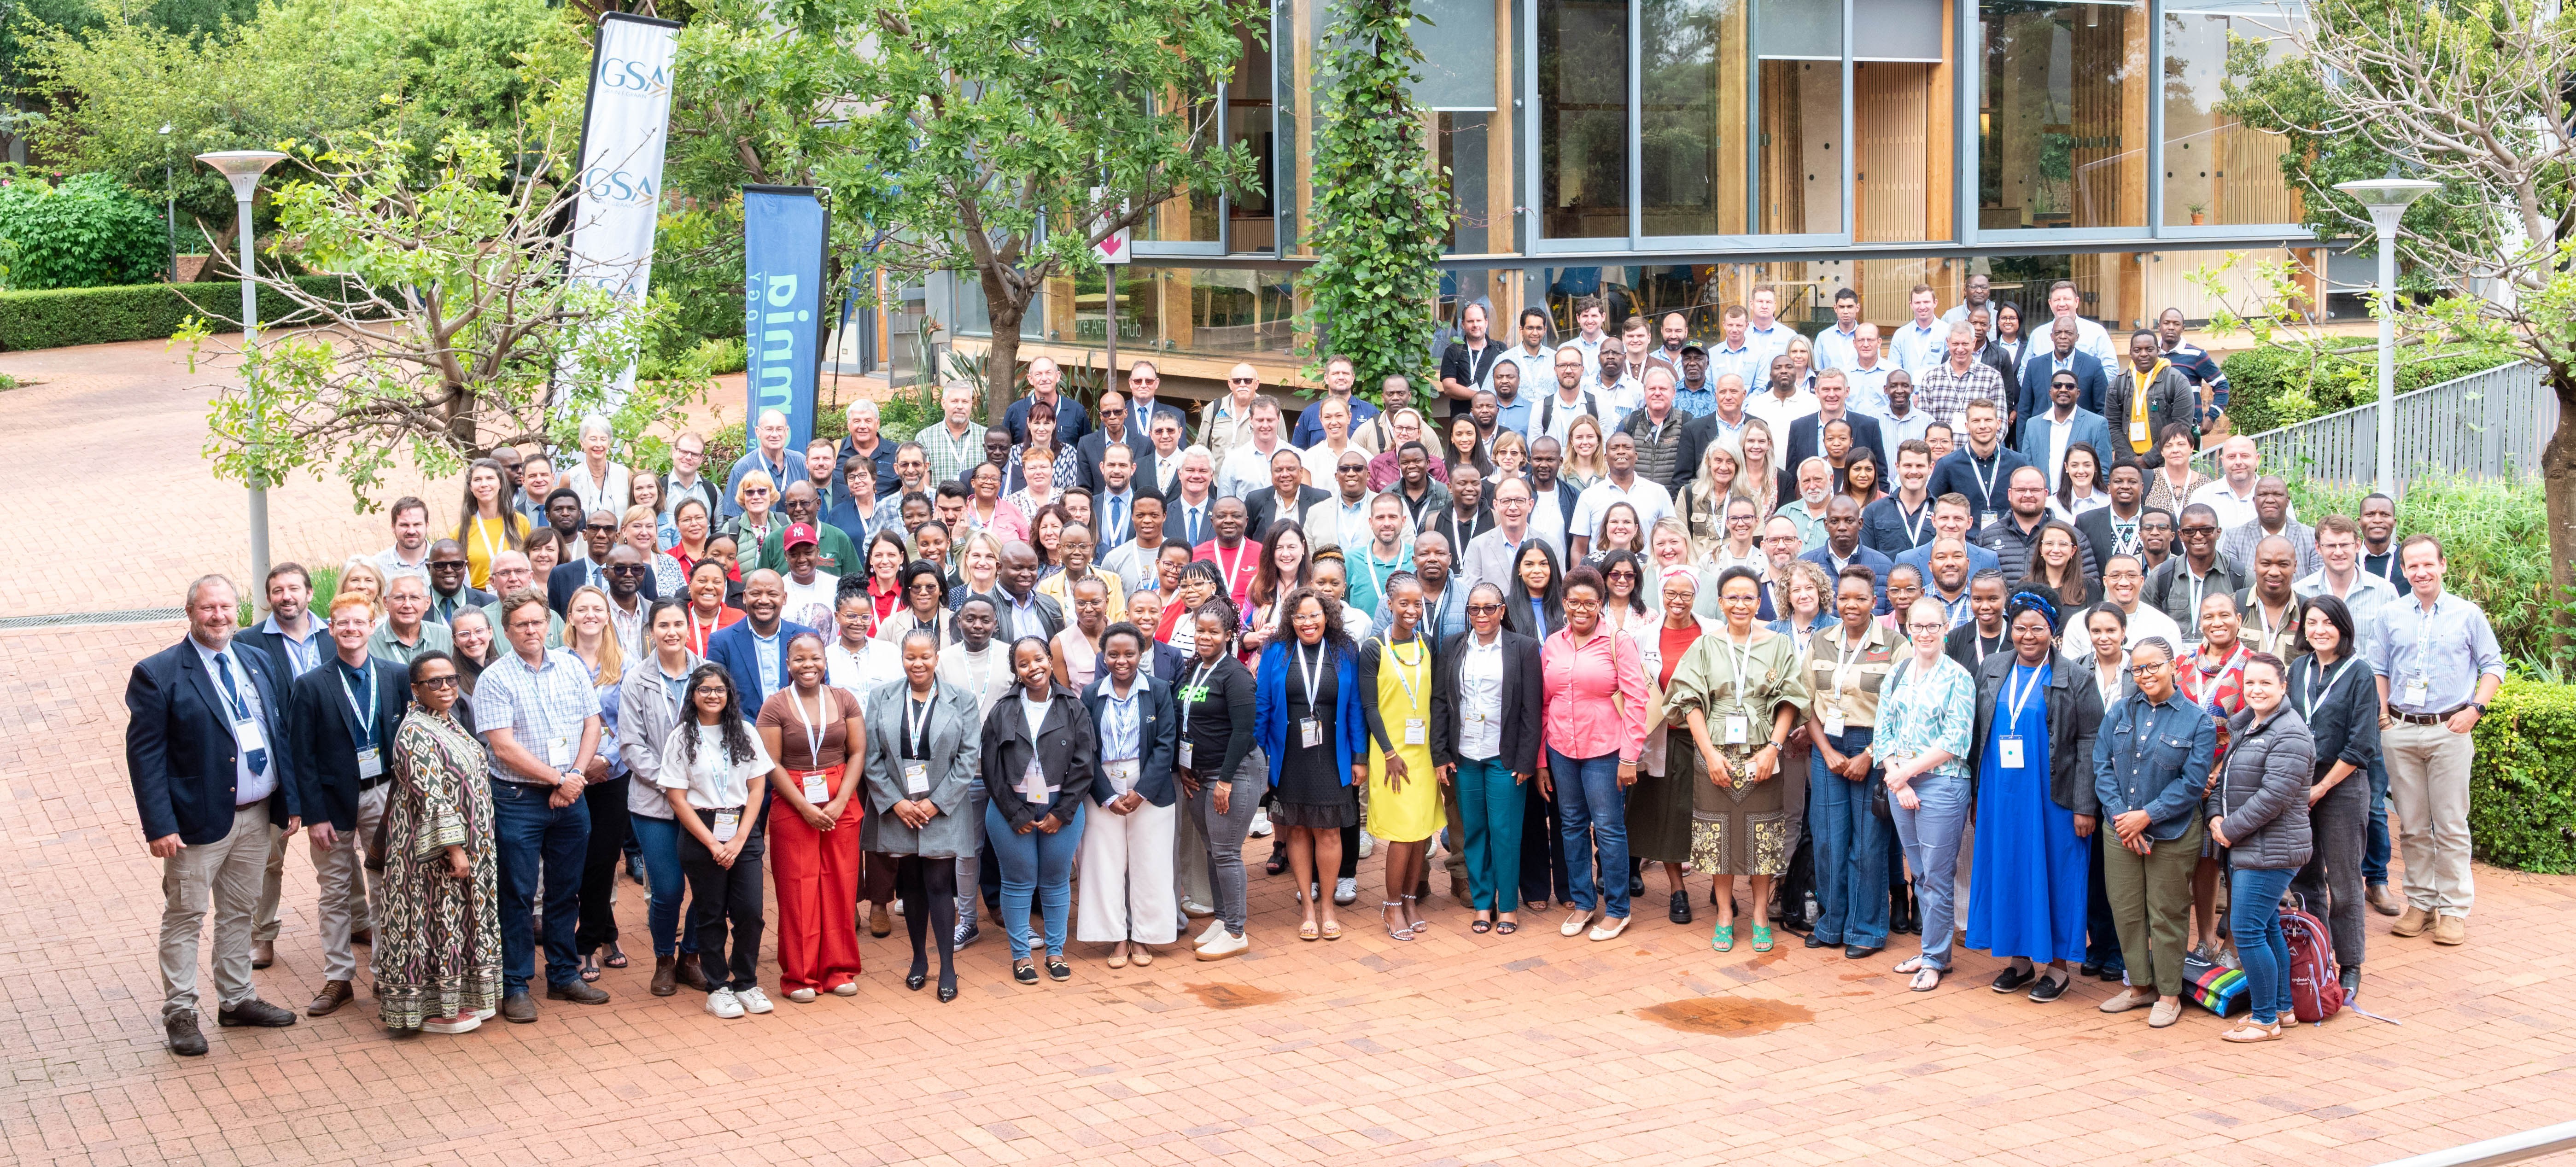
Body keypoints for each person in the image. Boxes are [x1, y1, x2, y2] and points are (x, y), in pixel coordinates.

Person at [129, 575, 308, 1054]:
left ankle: (237, 1000)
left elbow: (278, 732)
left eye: (226, 607)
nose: (219, 616)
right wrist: (160, 824)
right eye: (208, 608)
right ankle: (180, 1011)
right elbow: (145, 757)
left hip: (257, 814)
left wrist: (290, 801)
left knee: (240, 911)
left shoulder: (255, 658)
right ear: (190, 611)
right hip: (195, 823)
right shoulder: (158, 673)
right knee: (186, 915)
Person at [473, 590, 607, 1022]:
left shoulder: (570, 666)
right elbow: (503, 747)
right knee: (517, 893)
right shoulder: (494, 678)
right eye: (521, 625)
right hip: (518, 799)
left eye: (537, 622)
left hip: (571, 795)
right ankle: (515, 984)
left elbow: (592, 724)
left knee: (566, 890)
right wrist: (558, 780)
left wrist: (575, 777)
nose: (531, 630)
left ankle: (563, 975)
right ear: (506, 631)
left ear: (548, 625)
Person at [1965, 588, 2104, 1002]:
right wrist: (1976, 793)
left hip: (2053, 797)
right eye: (2020, 627)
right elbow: (1978, 732)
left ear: (2053, 632)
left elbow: (2090, 742)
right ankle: (2020, 961)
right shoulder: (1992, 668)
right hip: (2001, 793)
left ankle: (2058, 968)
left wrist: (2085, 805)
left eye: (2037, 629)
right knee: (2009, 869)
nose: (2028, 636)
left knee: (2056, 874)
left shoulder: (2075, 677)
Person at [1665, 567, 1811, 951]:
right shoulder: (1705, 645)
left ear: (1759, 602)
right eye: (1732, 597)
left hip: (1763, 753)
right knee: (1718, 837)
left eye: (1748, 597)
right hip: (1715, 754)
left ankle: (1760, 913)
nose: (1740, 604)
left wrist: (1773, 749)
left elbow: (1791, 700)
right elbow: (1688, 701)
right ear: (1720, 602)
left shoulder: (1778, 645)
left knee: (1762, 835)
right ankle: (1725, 913)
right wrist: (1709, 754)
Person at [2369, 535, 2504, 947]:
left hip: (2450, 730)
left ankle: (2453, 910)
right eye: (2412, 565)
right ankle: (2421, 904)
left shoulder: (2467, 614)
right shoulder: (2390, 614)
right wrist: (2383, 718)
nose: (2421, 572)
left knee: (2450, 825)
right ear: (2403, 570)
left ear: (2442, 565)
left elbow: (2493, 665)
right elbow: (2378, 669)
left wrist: (2475, 710)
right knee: (2411, 827)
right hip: (2401, 730)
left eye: (2428, 564)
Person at [286, 593, 411, 1017]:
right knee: (334, 891)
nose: (351, 629)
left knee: (385, 886)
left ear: (373, 626)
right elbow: (301, 756)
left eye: (359, 622)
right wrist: (314, 815)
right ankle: (338, 977)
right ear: (331, 629)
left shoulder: (396, 676)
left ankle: (385, 971)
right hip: (332, 803)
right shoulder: (311, 685)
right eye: (343, 623)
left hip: (384, 794)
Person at [369, 651, 504, 1034]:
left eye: (451, 679)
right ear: (416, 689)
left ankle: (458, 997)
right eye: (434, 682)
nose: (446, 687)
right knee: (434, 924)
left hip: (468, 844)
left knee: (458, 921)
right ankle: (432, 1009)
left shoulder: (446, 720)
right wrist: (455, 849)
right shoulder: (415, 731)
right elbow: (431, 796)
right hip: (432, 852)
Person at [2093, 637, 2218, 1029]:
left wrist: (2146, 817)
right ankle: (2139, 987)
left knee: (2167, 913)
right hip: (2119, 830)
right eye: (2137, 669)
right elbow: (2101, 766)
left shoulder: (2197, 721)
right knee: (2126, 910)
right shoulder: (2119, 711)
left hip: (2172, 832)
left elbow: (2192, 784)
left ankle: (2168, 994)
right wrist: (2122, 818)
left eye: (2153, 666)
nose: (2145, 674)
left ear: (2173, 667)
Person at [656, 662, 783, 1019]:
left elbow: (757, 787)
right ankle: (718, 988)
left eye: (719, 690)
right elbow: (677, 798)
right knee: (710, 914)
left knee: (750, 912)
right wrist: (713, 844)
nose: (713, 696)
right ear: (693, 695)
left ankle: (746, 983)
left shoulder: (745, 731)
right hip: (702, 830)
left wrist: (741, 838)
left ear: (729, 695)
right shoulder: (682, 737)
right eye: (705, 690)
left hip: (743, 827)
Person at [2206, 652, 2315, 1042]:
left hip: (2272, 850)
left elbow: (2274, 797)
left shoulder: (2290, 733)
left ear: (2283, 687)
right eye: (2250, 682)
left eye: (2266, 683)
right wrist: (2214, 817)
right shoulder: (2250, 724)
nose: (2256, 690)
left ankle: (2265, 1020)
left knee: (2247, 931)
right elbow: (2223, 780)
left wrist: (2228, 829)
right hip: (2249, 844)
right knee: (2265, 927)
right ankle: (2282, 1009)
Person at [753, 632, 867, 1000]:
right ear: (788, 664)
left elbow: (858, 752)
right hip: (793, 800)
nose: (808, 665)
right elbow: (770, 763)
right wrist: (804, 807)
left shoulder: (844, 699)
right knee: (798, 888)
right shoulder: (775, 705)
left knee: (840, 886)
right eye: (800, 659)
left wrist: (841, 800)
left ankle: (838, 969)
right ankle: (800, 976)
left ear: (825, 660)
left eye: (815, 658)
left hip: (840, 798)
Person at [1874, 596, 1978, 991]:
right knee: (1919, 873)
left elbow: (1955, 740)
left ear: (1945, 629)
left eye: (1933, 626)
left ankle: (1934, 960)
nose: (1924, 633)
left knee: (1936, 876)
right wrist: (1896, 777)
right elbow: (1882, 730)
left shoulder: (1959, 678)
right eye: (1917, 626)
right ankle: (1935, 951)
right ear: (1907, 629)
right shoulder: (1898, 672)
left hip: (1942, 784)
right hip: (1900, 784)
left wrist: (1906, 774)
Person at [1253, 588, 1369, 940]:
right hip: (1289, 754)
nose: (1307, 623)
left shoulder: (1345, 650)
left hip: (1333, 754)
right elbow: (1263, 705)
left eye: (1314, 615)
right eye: (1300, 616)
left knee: (1330, 831)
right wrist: (1259, 759)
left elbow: (1355, 707)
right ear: (1290, 620)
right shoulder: (1276, 650)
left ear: (1327, 617)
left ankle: (1328, 907)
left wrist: (1360, 757)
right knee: (1298, 830)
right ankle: (1307, 906)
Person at [1799, 566, 1904, 958]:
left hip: (1875, 748)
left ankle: (1866, 930)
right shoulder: (1820, 640)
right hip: (1827, 746)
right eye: (1844, 598)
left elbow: (1901, 710)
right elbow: (1805, 702)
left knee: (1869, 844)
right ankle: (1831, 923)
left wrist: (1870, 755)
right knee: (1828, 839)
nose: (1851, 605)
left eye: (1860, 598)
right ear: (1836, 601)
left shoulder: (1895, 645)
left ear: (1874, 602)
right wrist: (1826, 751)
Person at [982, 635, 1098, 983]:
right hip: (1010, 809)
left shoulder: (1073, 707)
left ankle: (1055, 952)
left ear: (1049, 660)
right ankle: (1021, 956)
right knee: (1018, 881)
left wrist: (1062, 812)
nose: (1033, 668)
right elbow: (991, 768)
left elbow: (1085, 765)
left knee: (1055, 880)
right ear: (1016, 671)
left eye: (1038, 659)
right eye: (1023, 664)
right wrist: (1014, 813)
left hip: (1061, 806)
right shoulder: (1002, 711)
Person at [1069, 623, 1180, 966]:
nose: (1122, 661)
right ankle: (1117, 938)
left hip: (1150, 788)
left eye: (1129, 653)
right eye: (1113, 654)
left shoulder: (1158, 690)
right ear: (1103, 656)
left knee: (1152, 864)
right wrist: (1106, 795)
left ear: (1141, 654)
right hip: (1102, 787)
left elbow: (1166, 744)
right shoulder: (1091, 694)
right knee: (1103, 864)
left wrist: (1142, 791)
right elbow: (1085, 749)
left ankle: (1145, 937)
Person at [617, 601, 713, 997]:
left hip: (705, 801)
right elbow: (631, 745)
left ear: (689, 628)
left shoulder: (709, 674)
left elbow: (721, 733)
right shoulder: (635, 680)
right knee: (668, 890)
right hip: (653, 803)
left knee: (707, 887)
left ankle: (690, 956)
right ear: (651, 631)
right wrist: (671, 784)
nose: (671, 632)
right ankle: (664, 961)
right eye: (663, 625)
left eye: (678, 624)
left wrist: (699, 784)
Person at [2285, 595, 2377, 999]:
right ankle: (2317, 954)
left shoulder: (2360, 673)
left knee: (2343, 879)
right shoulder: (2297, 668)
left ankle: (2350, 963)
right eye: (2311, 622)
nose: (2319, 630)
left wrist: (2321, 788)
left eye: (2327, 623)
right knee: (2304, 875)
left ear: (2343, 628)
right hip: (2299, 781)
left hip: (2341, 784)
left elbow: (2362, 745)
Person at [2143, 504, 2247, 643]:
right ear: (2180, 535)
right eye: (2190, 531)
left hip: (2226, 655)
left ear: (2218, 533)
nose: (2198, 536)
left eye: (2207, 530)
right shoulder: (2162, 575)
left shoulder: (2240, 576)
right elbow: (2145, 623)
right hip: (2174, 655)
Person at [2217, 476, 2320, 578]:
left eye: (2277, 494)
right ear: (2254, 501)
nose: (2270, 500)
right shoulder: (2235, 538)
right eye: (2263, 494)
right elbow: (2232, 582)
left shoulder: (2310, 537)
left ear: (2288, 501)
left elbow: (2317, 582)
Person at [456, 459, 532, 590]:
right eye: (478, 480)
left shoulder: (520, 522)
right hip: (478, 597)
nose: (484, 484)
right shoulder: (461, 530)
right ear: (471, 487)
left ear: (501, 483)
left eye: (490, 478)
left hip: (517, 594)